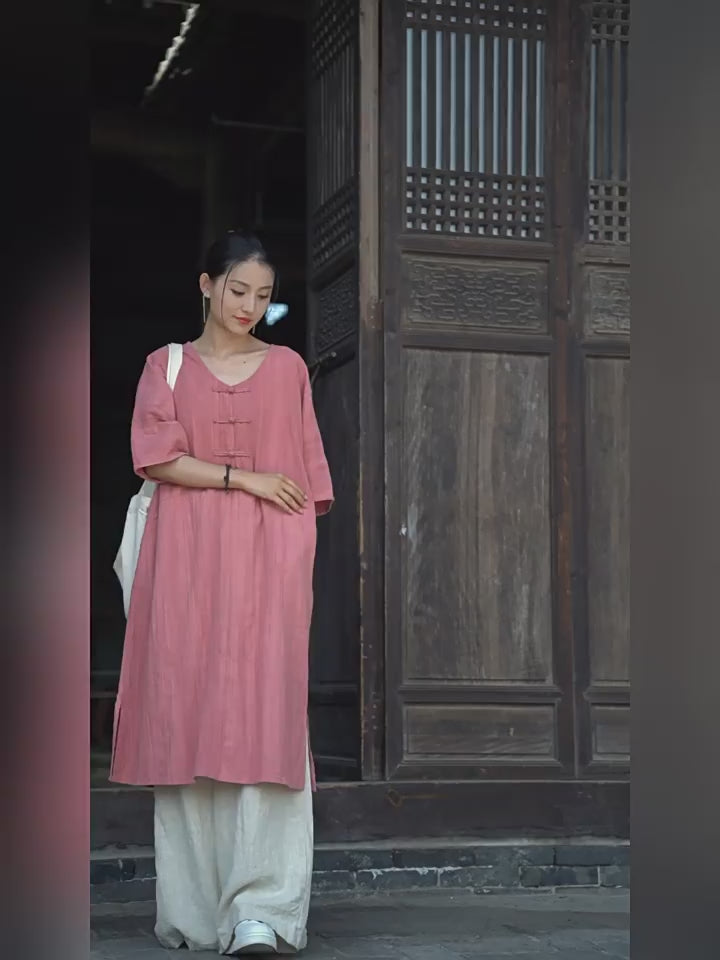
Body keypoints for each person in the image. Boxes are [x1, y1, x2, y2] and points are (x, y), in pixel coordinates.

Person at [109, 230, 334, 955]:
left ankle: (260, 911)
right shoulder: (166, 366)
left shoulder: (288, 368)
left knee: (265, 722)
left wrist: (285, 548)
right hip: (182, 563)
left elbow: (308, 485)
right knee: (185, 719)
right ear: (207, 284)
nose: (250, 306)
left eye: (264, 296)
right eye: (238, 290)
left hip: (269, 565)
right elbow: (156, 458)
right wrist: (246, 479)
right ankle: (197, 910)